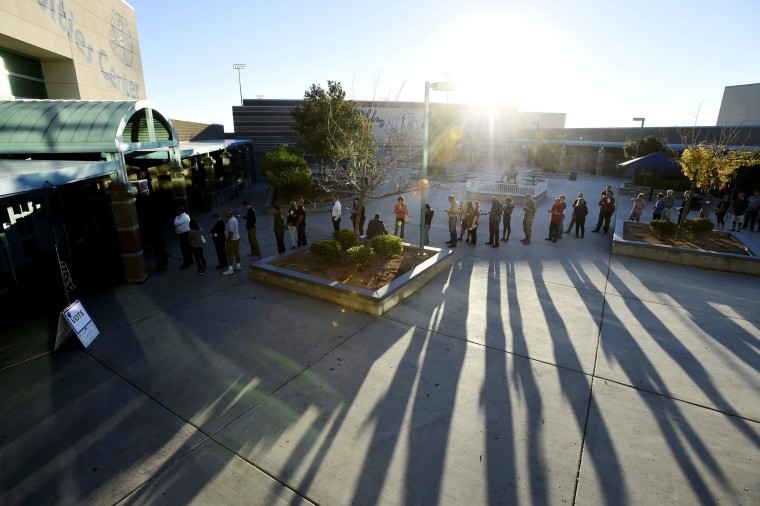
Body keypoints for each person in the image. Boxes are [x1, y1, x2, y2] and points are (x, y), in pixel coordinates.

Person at [222, 208, 242, 275]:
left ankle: (230, 270)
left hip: (232, 240)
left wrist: (228, 240)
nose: (225, 214)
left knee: (230, 254)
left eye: (226, 213)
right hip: (237, 238)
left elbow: (231, 232)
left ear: (228, 214)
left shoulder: (231, 221)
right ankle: (238, 266)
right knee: (237, 252)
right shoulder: (234, 219)